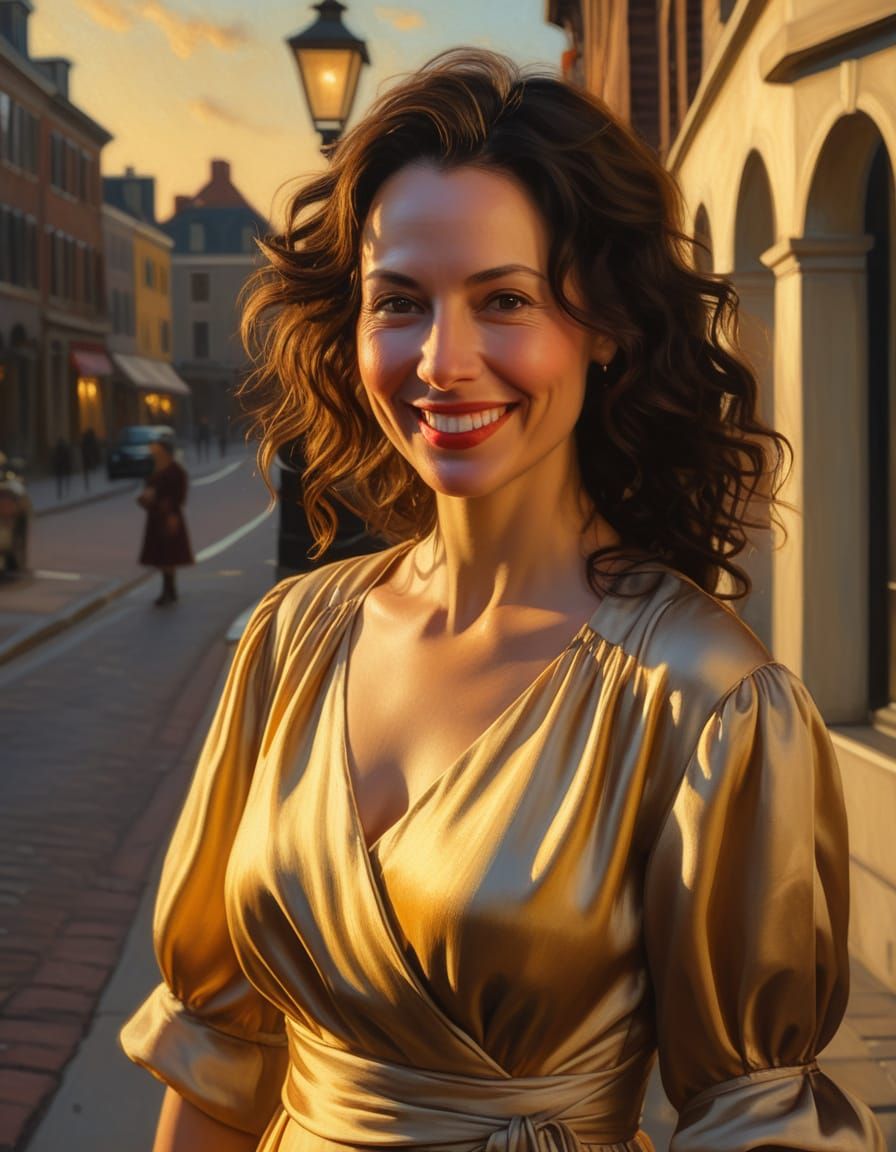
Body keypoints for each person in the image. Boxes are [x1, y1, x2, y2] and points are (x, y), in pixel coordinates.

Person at [120, 51, 885, 1152]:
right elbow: (218, 1054)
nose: (443, 360)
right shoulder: (291, 638)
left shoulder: (705, 697)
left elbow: (756, 1117)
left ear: (605, 325)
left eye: (505, 301)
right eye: (399, 303)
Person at [136, 433, 193, 606]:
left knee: (168, 556)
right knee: (161, 556)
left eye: (157, 452)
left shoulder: (176, 471)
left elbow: (179, 496)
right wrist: (145, 499)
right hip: (156, 518)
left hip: (169, 517)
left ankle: (169, 591)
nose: (154, 455)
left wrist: (169, 511)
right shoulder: (155, 470)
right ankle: (168, 590)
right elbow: (149, 489)